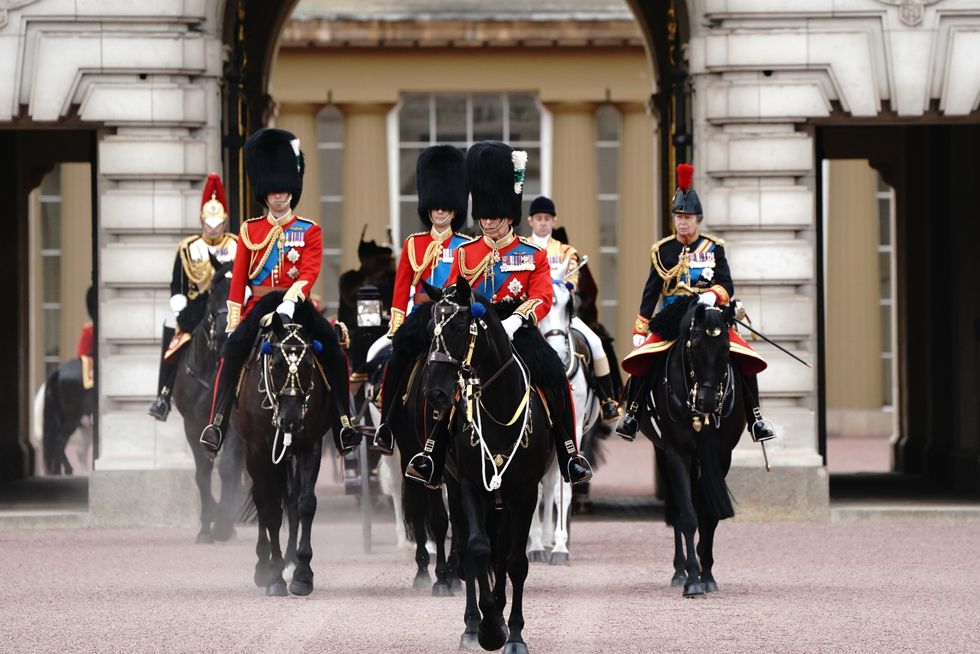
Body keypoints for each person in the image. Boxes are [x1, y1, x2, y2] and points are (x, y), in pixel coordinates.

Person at [404, 141, 594, 487]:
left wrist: (517, 319)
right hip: (472, 331)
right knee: (442, 377)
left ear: (510, 215)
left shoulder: (530, 254)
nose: (489, 222)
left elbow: (542, 295)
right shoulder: (465, 252)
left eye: (495, 216)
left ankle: (569, 452)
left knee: (553, 374)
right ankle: (432, 452)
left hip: (515, 329)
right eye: (484, 216)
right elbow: (451, 292)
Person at [199, 128, 359, 457]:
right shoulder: (249, 230)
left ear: (292, 191)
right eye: (272, 192)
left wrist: (290, 300)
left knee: (333, 350)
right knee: (232, 352)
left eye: (283, 190)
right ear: (265, 193)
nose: (278, 197)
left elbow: (311, 270)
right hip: (260, 304)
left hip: (296, 303)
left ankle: (344, 421)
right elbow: (239, 279)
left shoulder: (309, 229)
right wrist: (233, 319)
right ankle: (217, 422)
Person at [614, 163, 775, 443]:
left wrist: (714, 294)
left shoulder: (713, 247)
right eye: (679, 216)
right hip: (673, 315)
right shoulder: (663, 250)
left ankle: (756, 418)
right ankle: (633, 414)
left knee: (743, 354)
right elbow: (651, 292)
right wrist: (640, 330)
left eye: (688, 217)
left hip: (709, 313)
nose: (683, 222)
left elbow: (727, 283)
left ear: (698, 219)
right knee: (644, 359)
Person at [371, 144, 472, 455]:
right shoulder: (413, 244)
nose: (440, 212)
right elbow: (401, 291)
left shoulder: (467, 246)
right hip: (420, 317)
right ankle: (387, 426)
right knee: (394, 360)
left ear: (454, 210)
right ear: (428, 209)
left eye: (445, 208)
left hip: (454, 318)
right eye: (435, 207)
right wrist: (397, 326)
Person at [147, 174, 237, 421]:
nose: (214, 227)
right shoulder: (188, 247)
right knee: (173, 342)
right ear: (202, 221)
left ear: (225, 222)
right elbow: (177, 283)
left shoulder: (236, 244)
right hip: (196, 307)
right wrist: (179, 308)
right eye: (209, 222)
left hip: (225, 306)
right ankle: (163, 395)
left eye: (218, 223)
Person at [527, 195, 619, 420]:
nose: (543, 222)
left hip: (560, 313)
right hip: (531, 313)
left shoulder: (567, 251)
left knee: (596, 343)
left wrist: (562, 284)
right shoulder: (522, 248)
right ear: (530, 221)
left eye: (547, 218)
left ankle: (608, 401)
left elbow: (574, 281)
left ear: (554, 221)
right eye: (538, 218)